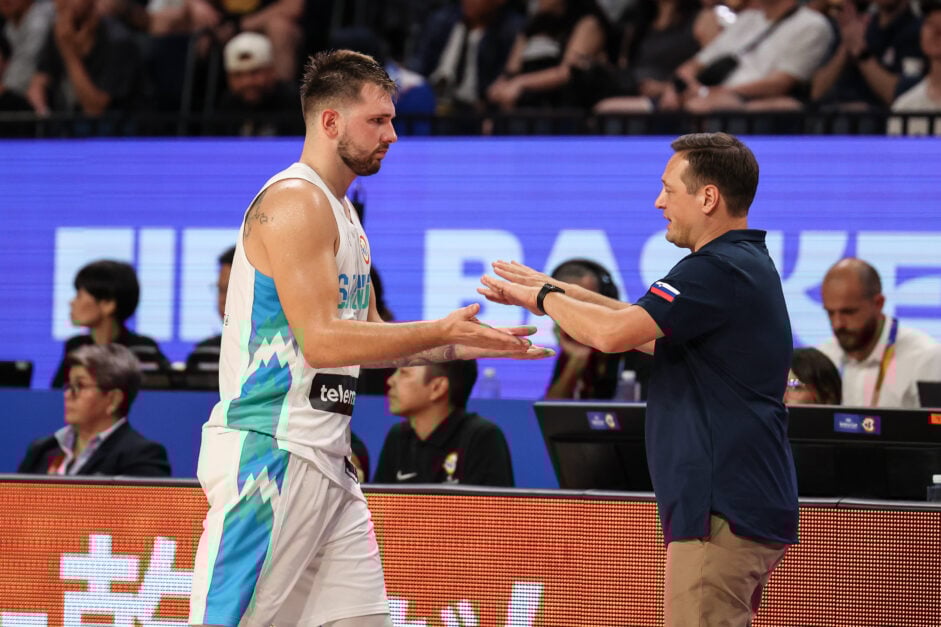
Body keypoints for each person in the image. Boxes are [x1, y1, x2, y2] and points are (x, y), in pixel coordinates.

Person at [188, 49, 548, 627]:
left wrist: (465, 344)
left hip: (327, 457)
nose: (393, 135)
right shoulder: (295, 202)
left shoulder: (343, 211)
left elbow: (373, 336)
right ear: (330, 122)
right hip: (272, 451)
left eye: (393, 120)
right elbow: (324, 344)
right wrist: (440, 329)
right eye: (377, 121)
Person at [479, 132, 798, 625]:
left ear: (707, 197)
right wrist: (554, 285)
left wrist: (540, 299)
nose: (659, 201)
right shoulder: (740, 265)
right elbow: (639, 325)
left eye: (669, 189)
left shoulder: (715, 269)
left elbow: (611, 334)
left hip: (720, 506)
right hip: (736, 504)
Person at [19, 344, 171, 476]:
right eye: (68, 386)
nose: (67, 395)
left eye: (80, 386)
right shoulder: (42, 449)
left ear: (113, 399)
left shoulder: (142, 456)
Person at [660, 0, 833, 113]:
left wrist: (711, 93)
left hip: (756, 100)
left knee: (699, 106)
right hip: (711, 93)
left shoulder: (812, 25)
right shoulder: (747, 19)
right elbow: (692, 65)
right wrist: (679, 88)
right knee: (641, 106)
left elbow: (779, 83)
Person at [818, 257, 941, 408]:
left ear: (878, 303)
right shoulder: (825, 357)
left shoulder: (924, 358)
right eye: (830, 313)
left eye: (848, 312)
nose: (837, 324)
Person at [374, 359, 514, 486]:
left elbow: (494, 511)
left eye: (404, 373)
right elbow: (379, 508)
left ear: (437, 387)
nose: (390, 380)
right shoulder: (397, 436)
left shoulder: (482, 438)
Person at [545, 258, 653, 400]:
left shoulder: (642, 346)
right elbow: (552, 411)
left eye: (587, 301)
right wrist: (577, 361)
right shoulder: (574, 347)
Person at [52, 259, 170, 388]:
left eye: (79, 295)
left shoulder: (144, 349)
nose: (72, 302)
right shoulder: (76, 347)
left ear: (108, 304)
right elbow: (57, 397)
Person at [26, 0, 144, 118]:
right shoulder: (59, 31)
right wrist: (41, 108)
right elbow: (39, 81)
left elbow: (95, 109)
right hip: (65, 128)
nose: (63, 3)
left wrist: (69, 53)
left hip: (115, 130)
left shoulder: (118, 42)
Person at [215, 31, 300, 136]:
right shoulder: (226, 107)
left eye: (254, 72)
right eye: (238, 75)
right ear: (228, 78)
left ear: (272, 71)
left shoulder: (294, 102)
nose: (247, 82)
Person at [184, 245, 234, 385]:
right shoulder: (204, 354)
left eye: (231, 290)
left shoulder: (282, 354)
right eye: (221, 290)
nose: (223, 300)